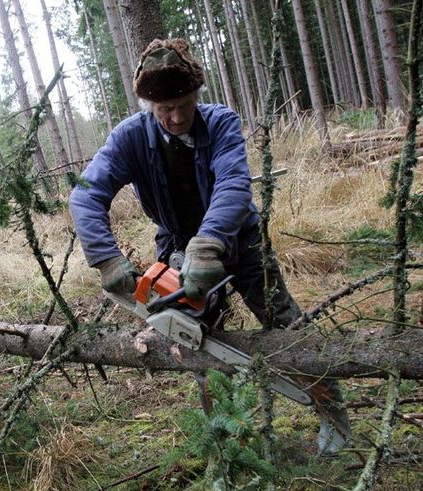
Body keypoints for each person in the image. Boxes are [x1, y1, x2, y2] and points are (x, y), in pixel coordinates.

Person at [69, 38, 349, 455]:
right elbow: (85, 195)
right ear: (150, 106)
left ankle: (333, 414)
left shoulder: (220, 123)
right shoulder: (128, 138)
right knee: (193, 341)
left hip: (240, 244)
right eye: (165, 110)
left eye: (184, 104)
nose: (177, 116)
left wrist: (210, 244)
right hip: (177, 246)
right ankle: (224, 434)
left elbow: (234, 185)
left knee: (287, 326)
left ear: (197, 95)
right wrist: (106, 257)